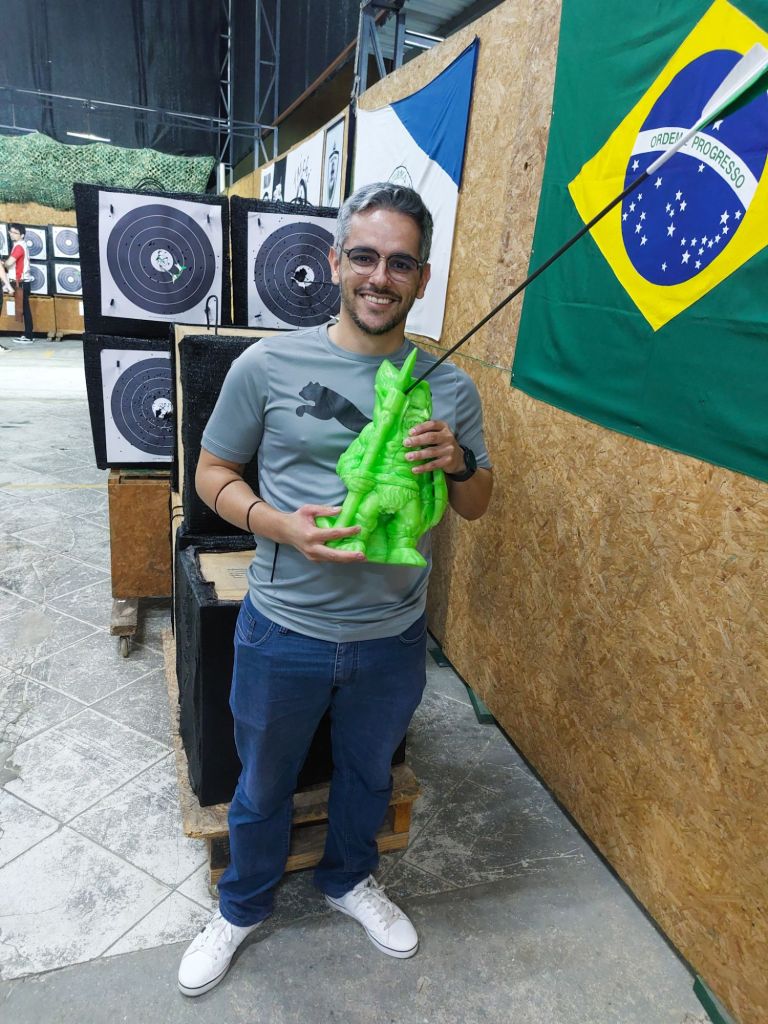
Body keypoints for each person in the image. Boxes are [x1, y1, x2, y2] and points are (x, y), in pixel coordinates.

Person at [178, 182, 493, 997]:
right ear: (334, 263)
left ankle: (350, 879)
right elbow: (211, 474)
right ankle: (241, 904)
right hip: (284, 630)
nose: (379, 277)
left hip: (393, 637)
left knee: (369, 775)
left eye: (400, 263)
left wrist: (459, 462)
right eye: (364, 256)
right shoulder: (268, 364)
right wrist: (276, 525)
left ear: (422, 278)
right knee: (261, 783)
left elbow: (477, 503)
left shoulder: (449, 387)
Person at [5, 224, 34, 344]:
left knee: (24, 309)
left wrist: (3, 264)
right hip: (22, 282)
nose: (11, 234)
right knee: (24, 309)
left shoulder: (19, 247)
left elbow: (9, 263)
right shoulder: (20, 245)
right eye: (10, 232)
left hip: (20, 283)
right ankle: (28, 334)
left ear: (22, 235)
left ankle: (29, 336)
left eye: (15, 233)